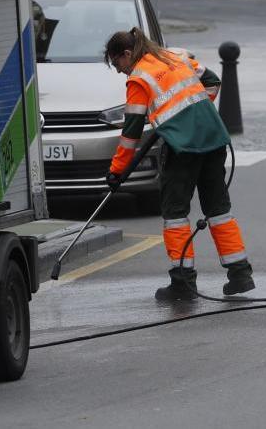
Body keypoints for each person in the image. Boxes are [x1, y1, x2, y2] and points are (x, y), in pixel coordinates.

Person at [103, 27, 254, 300]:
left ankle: (183, 282)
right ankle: (240, 274)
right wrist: (191, 114)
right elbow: (212, 81)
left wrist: (117, 171)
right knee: (218, 209)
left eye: (117, 64)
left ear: (127, 54)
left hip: (182, 149)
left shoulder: (139, 79)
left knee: (175, 214)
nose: (118, 71)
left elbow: (131, 133)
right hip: (213, 138)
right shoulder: (175, 56)